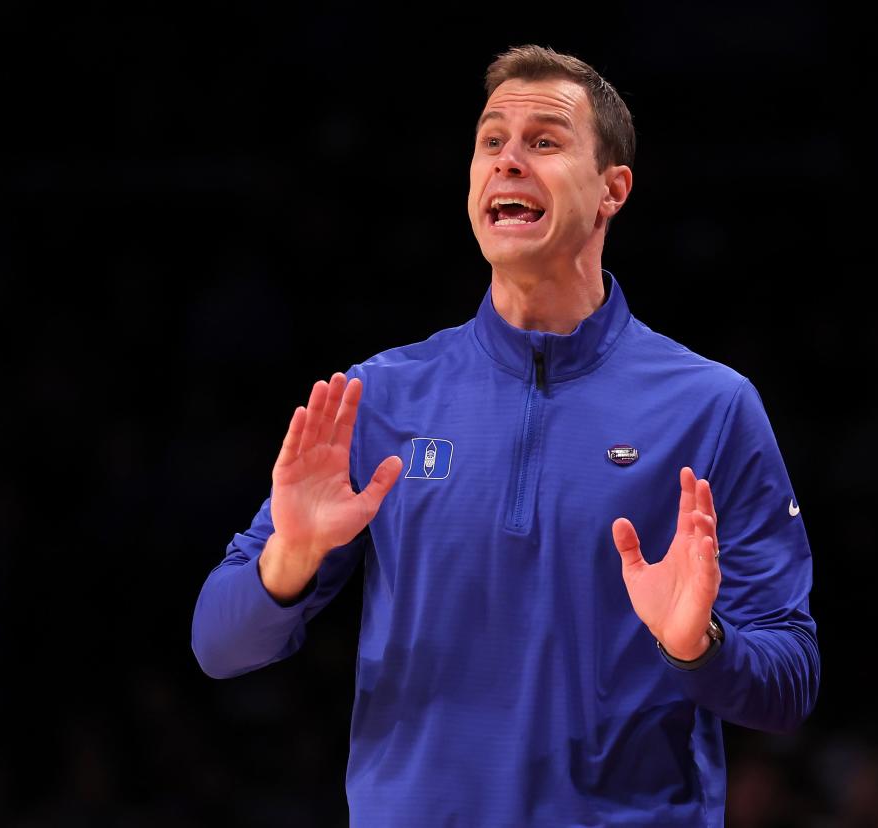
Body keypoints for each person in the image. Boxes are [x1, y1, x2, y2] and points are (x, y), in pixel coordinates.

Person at [191, 44, 819, 826]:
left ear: (611, 190)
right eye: (491, 142)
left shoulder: (711, 406)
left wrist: (699, 645)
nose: (508, 161)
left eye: (544, 141)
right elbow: (219, 644)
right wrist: (291, 557)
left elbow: (790, 683)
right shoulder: (380, 397)